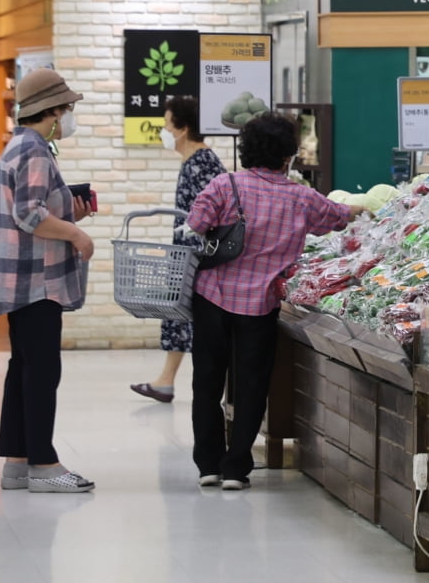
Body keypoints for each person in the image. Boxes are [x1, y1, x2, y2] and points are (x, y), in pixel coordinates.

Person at [186, 112, 365, 491]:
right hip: (259, 306)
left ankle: (208, 465)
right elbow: (337, 218)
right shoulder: (300, 196)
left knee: (207, 382)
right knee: (251, 385)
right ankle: (236, 468)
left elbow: (195, 224)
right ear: (288, 156)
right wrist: (364, 210)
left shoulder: (224, 185)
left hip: (212, 298)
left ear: (246, 149)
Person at [0, 68, 95, 492]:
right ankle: (45, 465)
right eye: (65, 109)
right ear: (50, 111)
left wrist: (70, 212)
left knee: (24, 367)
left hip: (20, 279)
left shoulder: (20, 146)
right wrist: (76, 233)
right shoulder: (34, 149)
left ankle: (18, 461)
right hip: (37, 280)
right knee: (42, 370)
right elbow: (30, 214)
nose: (68, 116)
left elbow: (33, 208)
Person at [129, 96, 227, 403]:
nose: (164, 130)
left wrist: (192, 261)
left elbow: (212, 217)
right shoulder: (194, 162)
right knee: (177, 316)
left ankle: (186, 385)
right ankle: (165, 381)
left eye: (167, 124)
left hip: (197, 259)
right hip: (186, 255)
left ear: (182, 129)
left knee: (192, 319)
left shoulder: (202, 164)